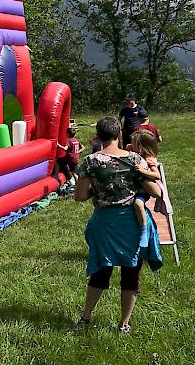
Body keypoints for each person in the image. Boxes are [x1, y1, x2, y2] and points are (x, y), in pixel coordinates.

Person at [74, 116, 162, 334]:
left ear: (99, 136)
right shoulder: (134, 159)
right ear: (119, 135)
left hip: (104, 224)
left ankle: (85, 318)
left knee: (100, 271)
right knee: (131, 274)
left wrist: (98, 189)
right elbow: (155, 191)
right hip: (132, 224)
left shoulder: (90, 161)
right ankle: (124, 324)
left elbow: (79, 196)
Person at [128, 130, 162, 248]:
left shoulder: (149, 159)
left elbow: (157, 175)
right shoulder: (133, 153)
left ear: (141, 147)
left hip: (142, 191)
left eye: (133, 143)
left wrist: (144, 171)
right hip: (132, 189)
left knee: (138, 204)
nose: (130, 145)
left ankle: (144, 231)